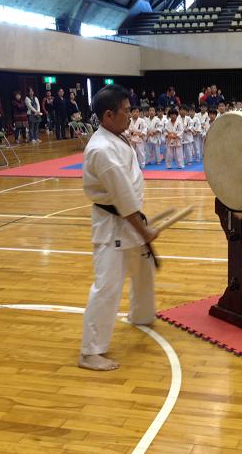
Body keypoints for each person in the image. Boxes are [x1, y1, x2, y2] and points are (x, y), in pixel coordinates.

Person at [79, 84, 158, 372]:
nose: (131, 115)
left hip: (128, 220)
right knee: (107, 286)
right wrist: (144, 230)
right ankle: (91, 352)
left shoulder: (116, 137)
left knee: (143, 270)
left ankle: (141, 315)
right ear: (108, 115)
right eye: (126, 111)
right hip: (114, 225)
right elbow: (123, 199)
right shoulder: (101, 150)